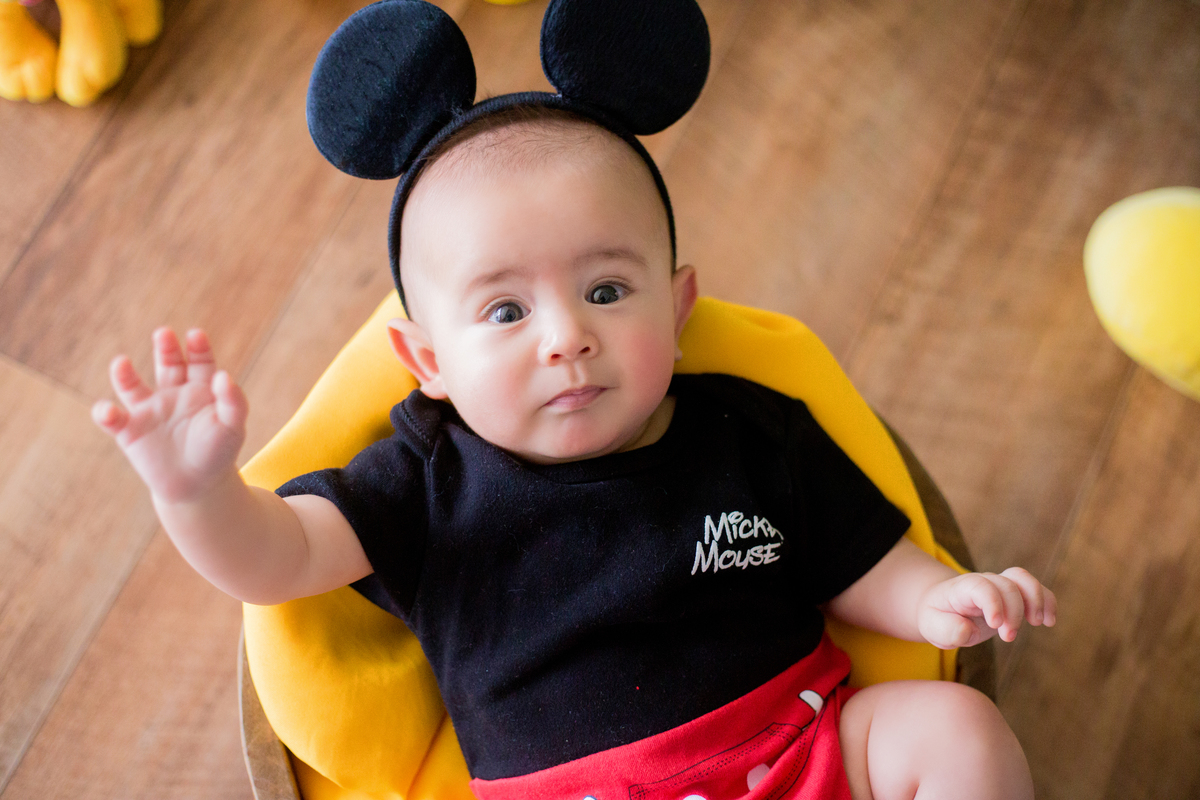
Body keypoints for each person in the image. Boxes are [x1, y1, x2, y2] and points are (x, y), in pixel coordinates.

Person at [93, 107, 1055, 800]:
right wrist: (196, 490)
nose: (565, 336)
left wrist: (933, 596)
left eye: (605, 290)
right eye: (505, 311)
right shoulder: (427, 481)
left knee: (958, 732)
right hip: (581, 791)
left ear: (676, 310)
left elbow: (856, 555)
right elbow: (278, 560)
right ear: (427, 362)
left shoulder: (749, 428)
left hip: (805, 745)